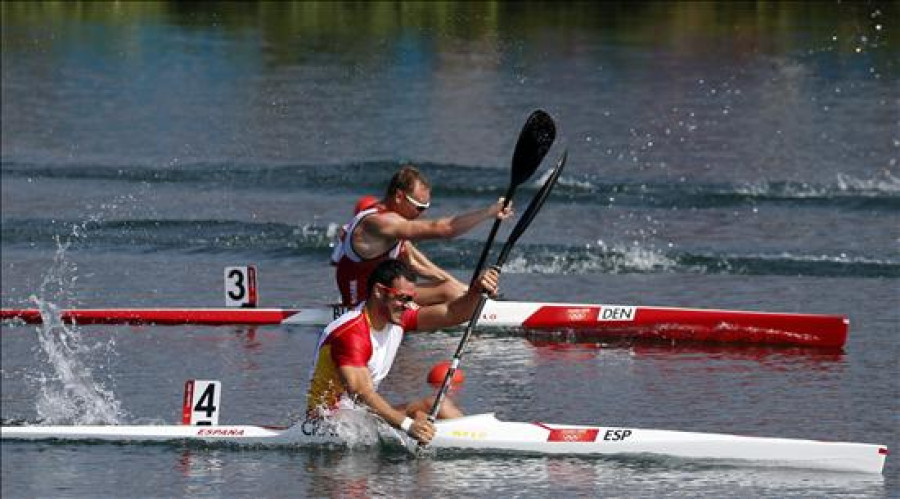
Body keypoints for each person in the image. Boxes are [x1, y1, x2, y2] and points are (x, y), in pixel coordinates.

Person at [307, 259, 500, 444]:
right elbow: (362, 392)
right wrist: (408, 425)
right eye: (403, 298)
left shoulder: (397, 318)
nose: (408, 305)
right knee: (422, 418)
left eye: (411, 299)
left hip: (360, 415)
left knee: (438, 406)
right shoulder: (352, 333)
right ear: (379, 292)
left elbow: (452, 313)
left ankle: (488, 441)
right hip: (329, 424)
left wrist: (476, 291)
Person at [332, 165, 512, 307]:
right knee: (447, 292)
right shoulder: (381, 223)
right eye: (419, 207)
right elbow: (444, 229)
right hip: (361, 306)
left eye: (425, 208)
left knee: (446, 288)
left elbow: (420, 265)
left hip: (383, 297)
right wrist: (489, 212)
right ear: (399, 196)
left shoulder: (395, 226)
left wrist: (467, 290)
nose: (422, 214)